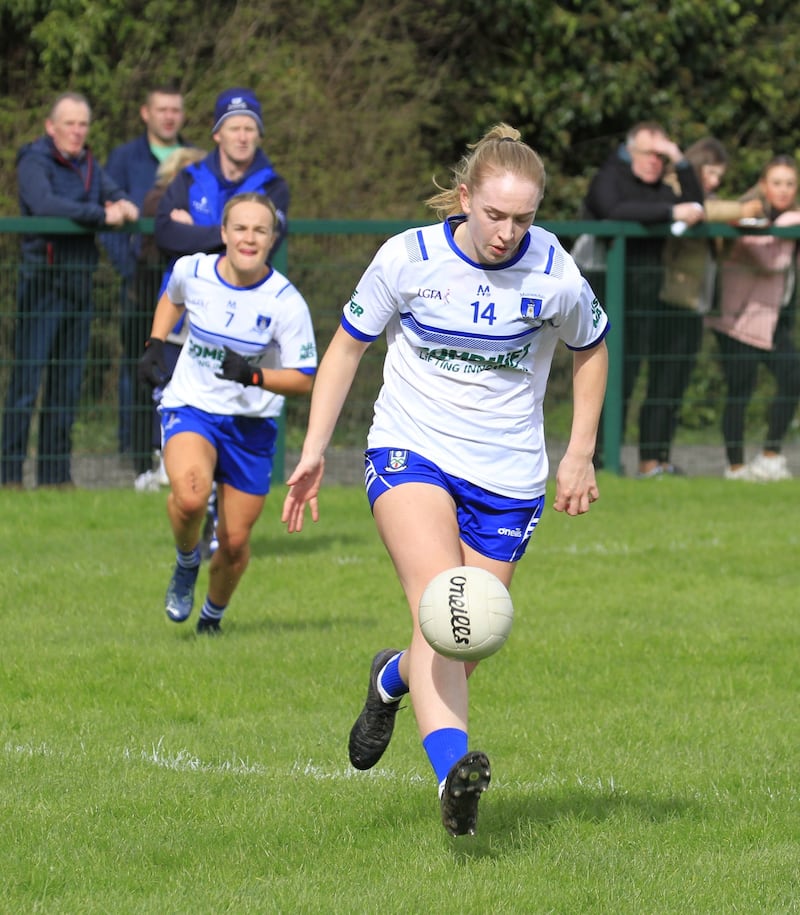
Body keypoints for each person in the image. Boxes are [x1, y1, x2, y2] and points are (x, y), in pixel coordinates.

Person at [281, 124, 609, 837]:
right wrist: (314, 448)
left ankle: (390, 678)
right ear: (464, 198)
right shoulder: (408, 258)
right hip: (410, 451)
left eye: (523, 217)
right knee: (447, 601)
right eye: (495, 214)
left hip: (508, 472)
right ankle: (452, 783)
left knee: (465, 640)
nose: (508, 232)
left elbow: (591, 348)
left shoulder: (554, 270)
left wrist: (579, 450)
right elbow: (345, 349)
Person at [137, 192, 317, 633]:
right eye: (240, 228)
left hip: (251, 424)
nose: (249, 238)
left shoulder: (285, 302)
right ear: (223, 233)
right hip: (192, 406)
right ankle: (186, 560)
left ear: (272, 239)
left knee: (235, 542)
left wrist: (254, 378)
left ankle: (211, 620)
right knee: (192, 494)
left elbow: (303, 378)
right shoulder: (193, 269)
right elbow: (171, 297)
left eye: (260, 230)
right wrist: (156, 343)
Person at [1, 92, 139, 489]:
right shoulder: (33, 161)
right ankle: (8, 476)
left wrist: (123, 205)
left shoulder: (90, 165)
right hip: (41, 284)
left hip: (80, 285)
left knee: (66, 384)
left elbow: (118, 196)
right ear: (51, 127)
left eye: (83, 124)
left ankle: (55, 477)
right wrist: (100, 214)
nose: (78, 131)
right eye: (70, 124)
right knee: (27, 384)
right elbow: (44, 205)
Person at [579, 122, 704, 470]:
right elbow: (613, 210)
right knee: (605, 378)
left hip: (645, 299)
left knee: (631, 375)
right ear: (629, 152)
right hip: (604, 295)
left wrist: (680, 161)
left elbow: (695, 204)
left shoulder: (662, 188)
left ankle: (623, 460)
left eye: (661, 156)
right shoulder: (609, 176)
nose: (654, 161)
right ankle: (596, 458)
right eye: (648, 153)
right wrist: (669, 213)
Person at [638, 137, 765, 477]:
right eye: (711, 173)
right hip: (671, 300)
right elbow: (701, 210)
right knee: (661, 383)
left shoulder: (699, 193)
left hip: (696, 303)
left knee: (677, 384)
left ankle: (662, 458)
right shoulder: (674, 187)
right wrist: (743, 211)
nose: (715, 181)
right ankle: (648, 458)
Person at [102, 86, 187, 459]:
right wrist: (127, 264)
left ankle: (167, 447)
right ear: (145, 113)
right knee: (137, 364)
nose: (169, 116)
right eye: (161, 109)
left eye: (175, 110)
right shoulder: (123, 158)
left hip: (181, 284)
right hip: (141, 281)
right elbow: (107, 210)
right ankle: (131, 446)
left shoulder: (195, 158)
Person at [706, 154, 800, 482]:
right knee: (740, 390)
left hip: (774, 322)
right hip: (737, 321)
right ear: (763, 185)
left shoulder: (791, 220)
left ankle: (770, 456)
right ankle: (735, 466)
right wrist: (790, 227)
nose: (784, 190)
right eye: (777, 182)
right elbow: (770, 262)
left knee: (793, 377)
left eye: (790, 183)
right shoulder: (748, 216)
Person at [131, 145, 207, 493]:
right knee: (167, 386)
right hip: (178, 312)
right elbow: (165, 237)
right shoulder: (163, 201)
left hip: (208, 313)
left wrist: (198, 231)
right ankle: (163, 461)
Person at [154, 87, 289, 265]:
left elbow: (263, 247)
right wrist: (237, 237)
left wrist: (193, 233)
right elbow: (165, 236)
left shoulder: (274, 187)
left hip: (242, 291)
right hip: (186, 291)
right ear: (217, 134)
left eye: (249, 129)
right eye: (234, 129)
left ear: (259, 136)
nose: (242, 138)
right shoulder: (188, 177)